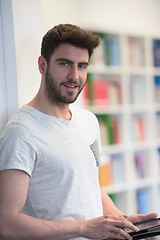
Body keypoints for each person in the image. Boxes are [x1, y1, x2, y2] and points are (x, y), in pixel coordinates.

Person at [0, 23, 157, 240]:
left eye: (82, 66)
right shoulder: (21, 132)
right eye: (65, 64)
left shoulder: (88, 121)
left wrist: (123, 222)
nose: (74, 75)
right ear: (42, 65)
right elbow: (6, 223)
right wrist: (82, 228)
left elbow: (88, 187)